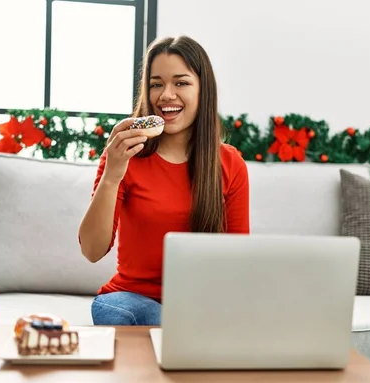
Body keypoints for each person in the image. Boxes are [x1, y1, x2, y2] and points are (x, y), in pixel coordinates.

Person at [78, 36, 250, 326]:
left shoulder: (230, 164)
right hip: (130, 301)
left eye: (181, 83)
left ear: (203, 90)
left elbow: (238, 264)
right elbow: (92, 251)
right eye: (156, 84)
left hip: (199, 305)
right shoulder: (123, 155)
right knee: (118, 309)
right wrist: (112, 176)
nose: (166, 95)